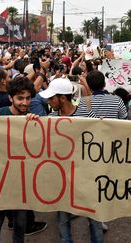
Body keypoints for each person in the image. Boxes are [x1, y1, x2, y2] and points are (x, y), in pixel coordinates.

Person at [0, 76, 47, 242]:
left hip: (21, 182)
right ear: (10, 98)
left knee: (20, 223)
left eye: (28, 98)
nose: (24, 102)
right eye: (20, 98)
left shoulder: (32, 119)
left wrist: (36, 126)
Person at [35, 78, 101, 243]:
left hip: (86, 177)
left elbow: (100, 139)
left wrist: (102, 125)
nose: (48, 101)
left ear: (62, 98)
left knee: (94, 217)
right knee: (63, 218)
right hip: (62, 179)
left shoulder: (87, 114)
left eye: (51, 98)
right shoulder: (50, 118)